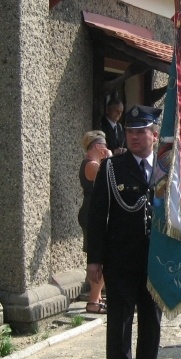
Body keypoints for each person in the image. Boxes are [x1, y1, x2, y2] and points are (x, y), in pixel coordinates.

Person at [87, 104, 171, 359]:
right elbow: (97, 218)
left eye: (141, 131)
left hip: (157, 263)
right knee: (120, 330)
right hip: (121, 262)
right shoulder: (111, 168)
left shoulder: (167, 169)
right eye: (130, 131)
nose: (135, 137)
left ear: (154, 134)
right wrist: (94, 259)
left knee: (152, 328)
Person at [78, 130, 111, 314]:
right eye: (104, 146)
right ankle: (93, 301)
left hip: (94, 212)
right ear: (98, 147)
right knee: (97, 255)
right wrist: (111, 158)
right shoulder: (91, 165)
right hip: (91, 213)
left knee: (101, 255)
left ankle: (97, 297)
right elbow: (108, 177)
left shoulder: (94, 163)